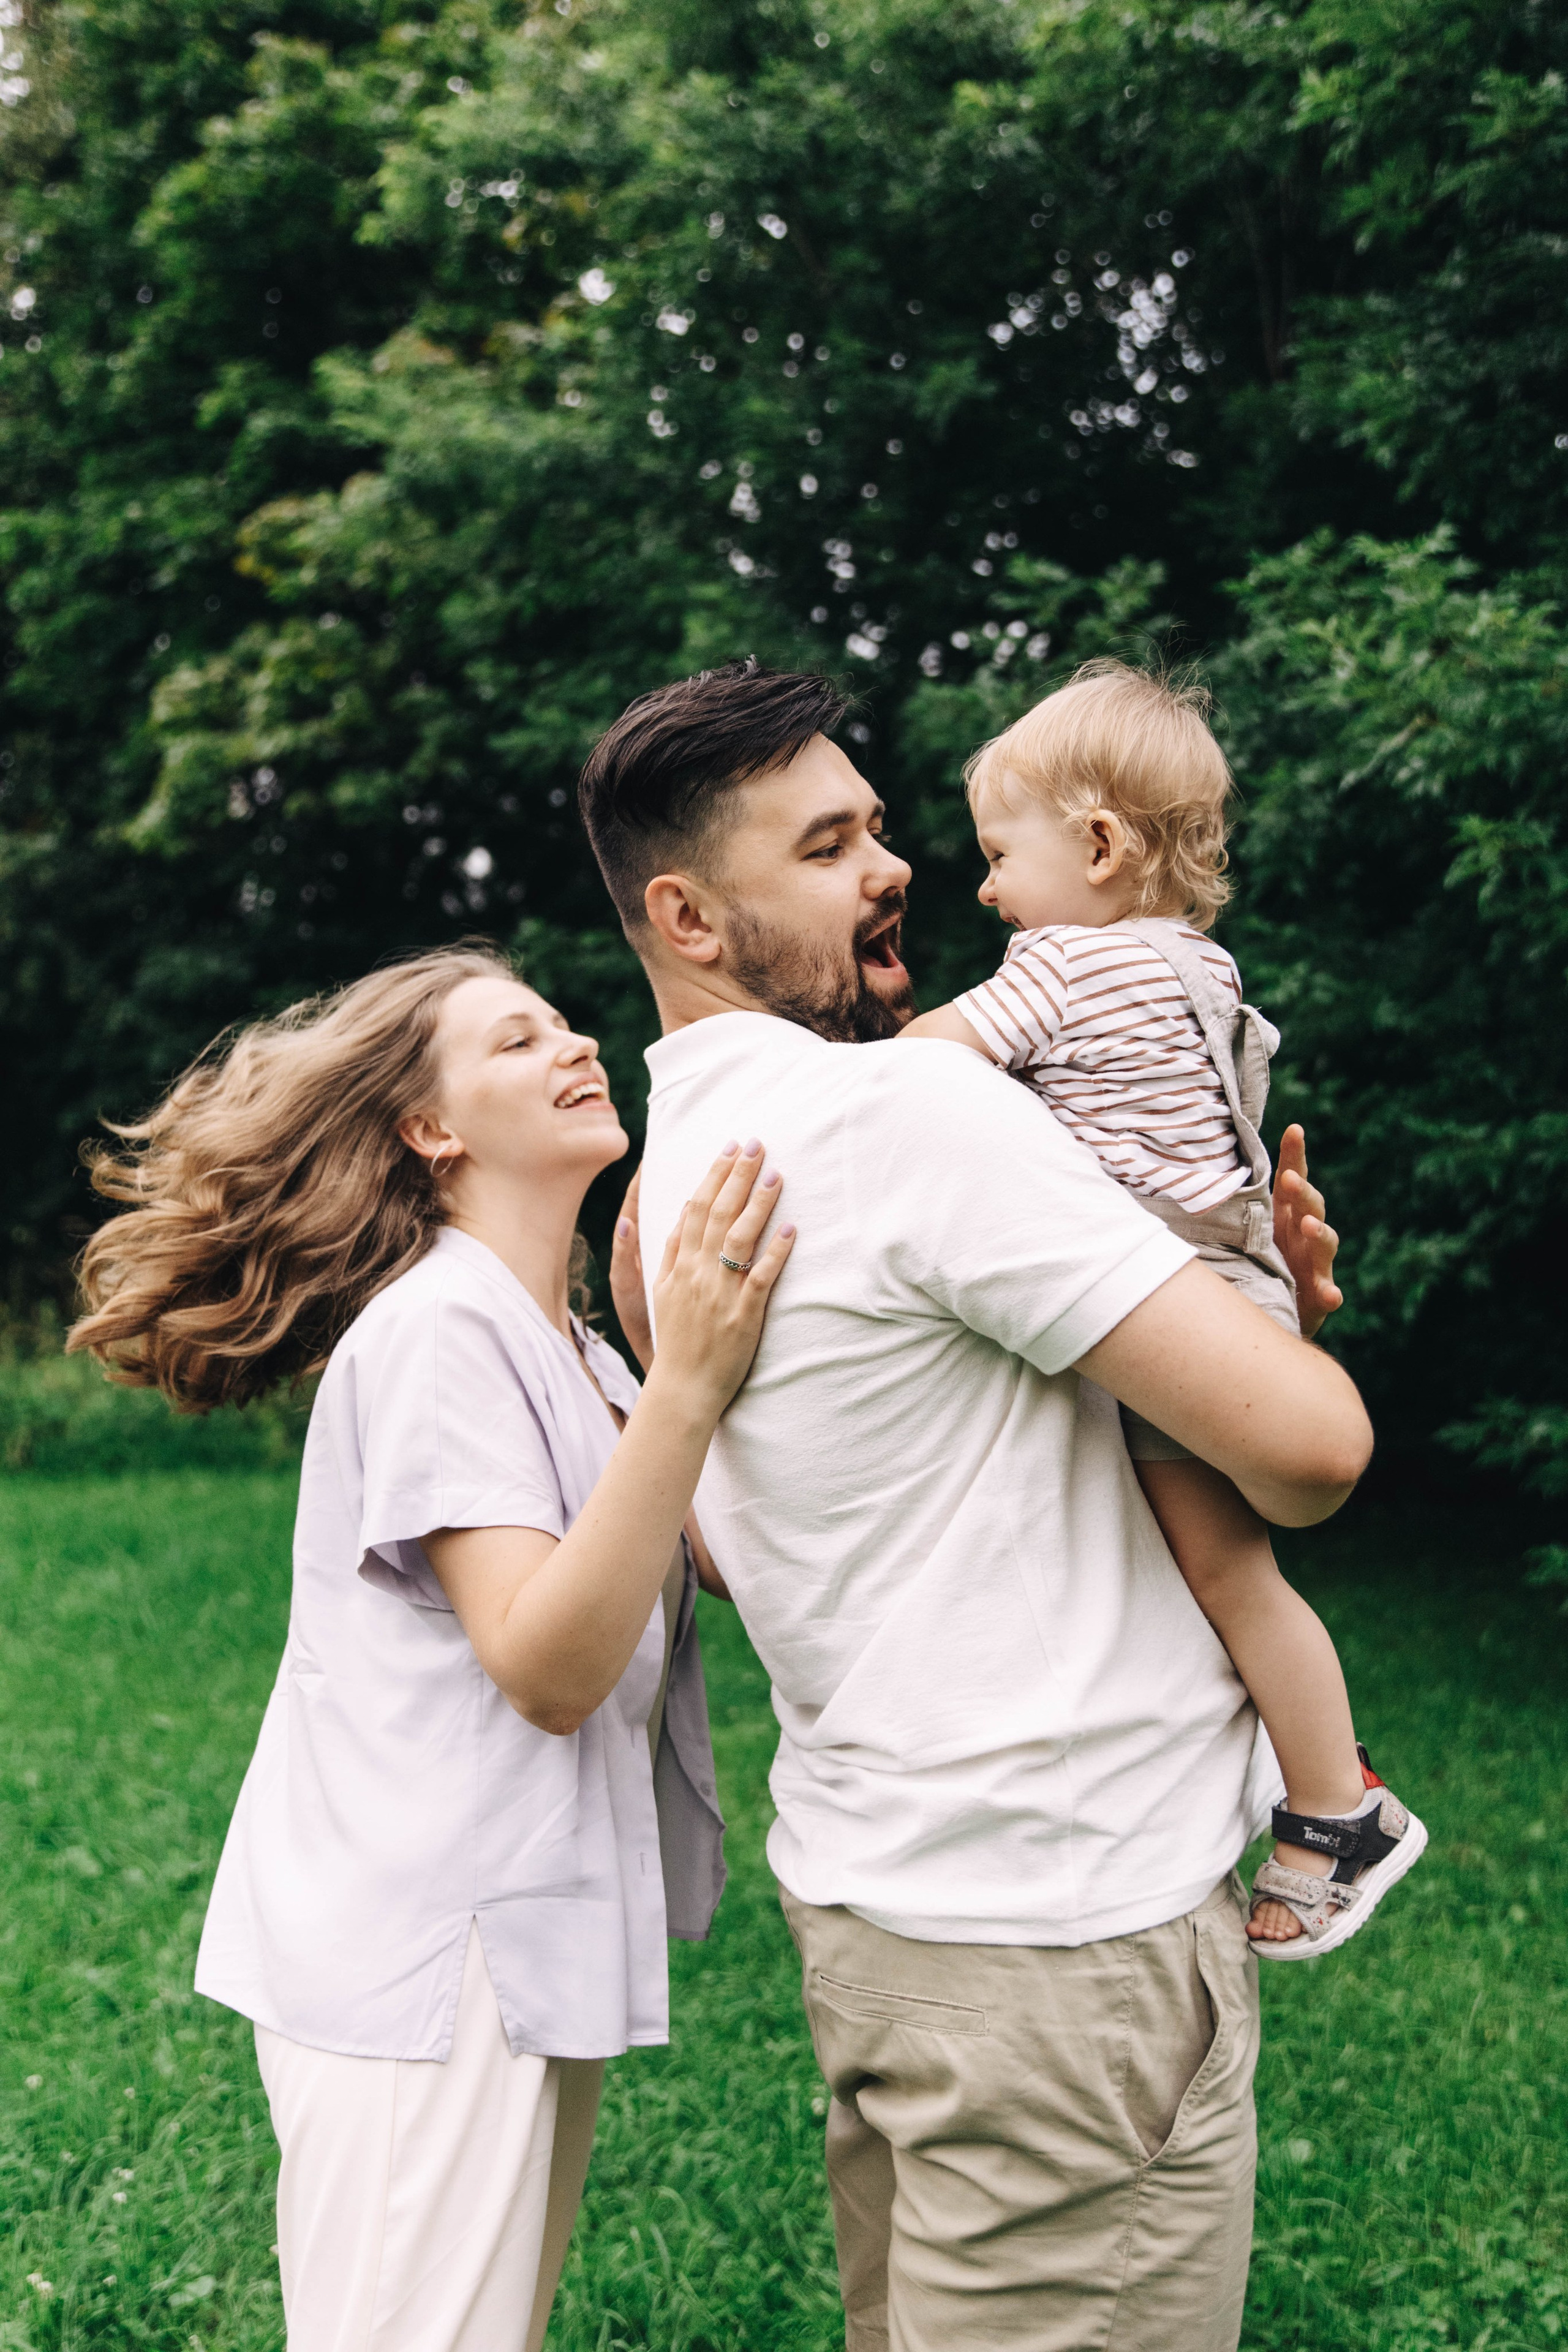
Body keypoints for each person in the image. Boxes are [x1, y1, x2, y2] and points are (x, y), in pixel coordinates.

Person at [579, 662, 1373, 2352]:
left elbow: (745, 1548)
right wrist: (1251, 1313)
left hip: (880, 1922)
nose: (895, 868)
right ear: (689, 916)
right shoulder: (918, 1112)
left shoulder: (658, 1210)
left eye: (879, 826)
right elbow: (1311, 1455)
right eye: (827, 847)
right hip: (1062, 1941)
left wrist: (1212, 1307)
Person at [67, 944, 794, 2352]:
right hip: (425, 1968)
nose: (575, 1044)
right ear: (431, 1130)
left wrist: (672, 1358)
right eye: (516, 1043)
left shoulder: (570, 1349)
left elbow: (724, 1554)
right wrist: (690, 1386)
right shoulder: (434, 1332)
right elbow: (545, 1663)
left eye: (563, 1024)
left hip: (519, 1944)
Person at [897, 658, 1424, 1956]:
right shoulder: (1198, 967)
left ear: (1094, 844)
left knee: (1220, 1568)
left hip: (1165, 1296)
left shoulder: (1059, 965)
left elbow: (916, 1073)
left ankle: (1335, 1806)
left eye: (996, 853)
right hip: (1235, 1287)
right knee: (1220, 1568)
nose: (982, 887)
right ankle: (1286, 1771)